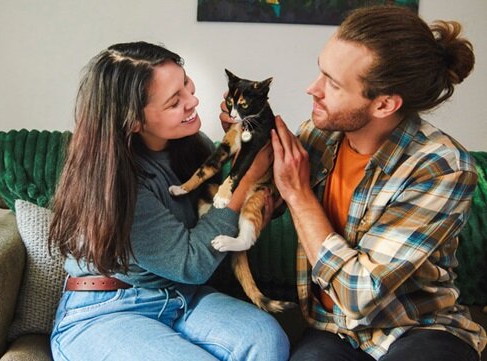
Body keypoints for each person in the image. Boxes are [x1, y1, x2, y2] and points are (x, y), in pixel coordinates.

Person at [243, 5, 486, 361]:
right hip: (331, 327)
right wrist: (247, 144)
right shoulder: (319, 136)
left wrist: (298, 194)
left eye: (333, 83)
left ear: (384, 104)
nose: (313, 89)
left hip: (418, 328)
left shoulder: (441, 167)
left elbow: (359, 294)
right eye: (320, 71)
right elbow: (267, 201)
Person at [47, 41, 290, 361]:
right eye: (175, 101)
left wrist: (241, 148)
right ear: (134, 121)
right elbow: (191, 263)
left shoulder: (187, 144)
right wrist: (243, 181)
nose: (194, 100)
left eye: (187, 83)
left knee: (266, 340)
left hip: (178, 295)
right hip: (108, 308)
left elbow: (251, 205)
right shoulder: (117, 184)